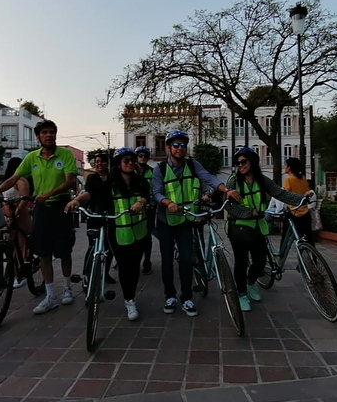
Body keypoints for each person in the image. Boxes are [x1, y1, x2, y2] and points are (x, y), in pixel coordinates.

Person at [0, 120, 78, 315]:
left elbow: (70, 181)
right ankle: (50, 296)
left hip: (61, 206)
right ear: (38, 136)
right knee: (43, 252)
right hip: (41, 210)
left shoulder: (65, 155)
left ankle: (67, 288)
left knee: (64, 251)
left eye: (52, 132)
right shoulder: (31, 157)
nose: (49, 135)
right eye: (45, 132)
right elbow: (14, 178)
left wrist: (47, 194)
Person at [153, 130, 241, 317]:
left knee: (187, 260)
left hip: (186, 219)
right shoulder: (159, 169)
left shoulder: (193, 165)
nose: (180, 148)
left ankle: (186, 297)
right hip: (166, 221)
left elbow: (209, 178)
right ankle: (170, 296)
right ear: (168, 148)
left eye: (183, 145)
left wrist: (226, 190)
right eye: (175, 145)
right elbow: (157, 192)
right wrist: (168, 203)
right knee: (167, 261)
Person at [65, 148, 150, 321]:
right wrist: (76, 200)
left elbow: (146, 196)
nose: (130, 163)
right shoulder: (110, 183)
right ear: (119, 163)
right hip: (117, 232)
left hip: (139, 232)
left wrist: (141, 202)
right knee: (125, 267)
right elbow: (91, 194)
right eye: (126, 160)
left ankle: (130, 297)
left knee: (134, 268)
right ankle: (129, 301)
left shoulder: (140, 181)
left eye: (132, 160)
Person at [225, 148, 309, 311]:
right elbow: (228, 205)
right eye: (238, 163)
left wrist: (302, 199)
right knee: (241, 262)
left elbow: (281, 194)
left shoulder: (263, 180)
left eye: (243, 162)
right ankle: (241, 294)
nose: (240, 166)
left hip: (258, 227)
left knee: (260, 262)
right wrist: (248, 212)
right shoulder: (233, 181)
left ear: (252, 162)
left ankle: (250, 283)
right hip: (239, 227)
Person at [84, 152, 116, 284]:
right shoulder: (91, 178)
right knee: (92, 245)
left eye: (102, 161)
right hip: (94, 214)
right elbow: (88, 194)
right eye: (97, 162)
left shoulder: (113, 178)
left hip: (110, 214)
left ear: (107, 164)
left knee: (109, 247)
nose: (99, 164)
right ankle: (87, 274)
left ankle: (105, 272)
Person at [1, 157, 33, 289]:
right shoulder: (18, 180)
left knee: (18, 243)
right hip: (17, 212)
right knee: (21, 242)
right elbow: (24, 199)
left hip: (11, 212)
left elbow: (4, 199)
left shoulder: (9, 181)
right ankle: (19, 271)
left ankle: (17, 272)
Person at [135, 146, 155, 274]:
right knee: (135, 235)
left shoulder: (152, 172)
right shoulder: (131, 171)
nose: (143, 158)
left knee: (147, 236)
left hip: (149, 208)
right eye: (140, 156)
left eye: (145, 156)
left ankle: (147, 261)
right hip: (134, 209)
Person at [283, 157, 313, 242]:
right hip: (305, 211)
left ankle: (281, 254)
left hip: (293, 211)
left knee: (285, 237)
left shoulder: (288, 180)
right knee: (308, 238)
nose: (284, 167)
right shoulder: (303, 179)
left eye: (285, 165)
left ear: (289, 167)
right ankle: (312, 254)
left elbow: (286, 195)